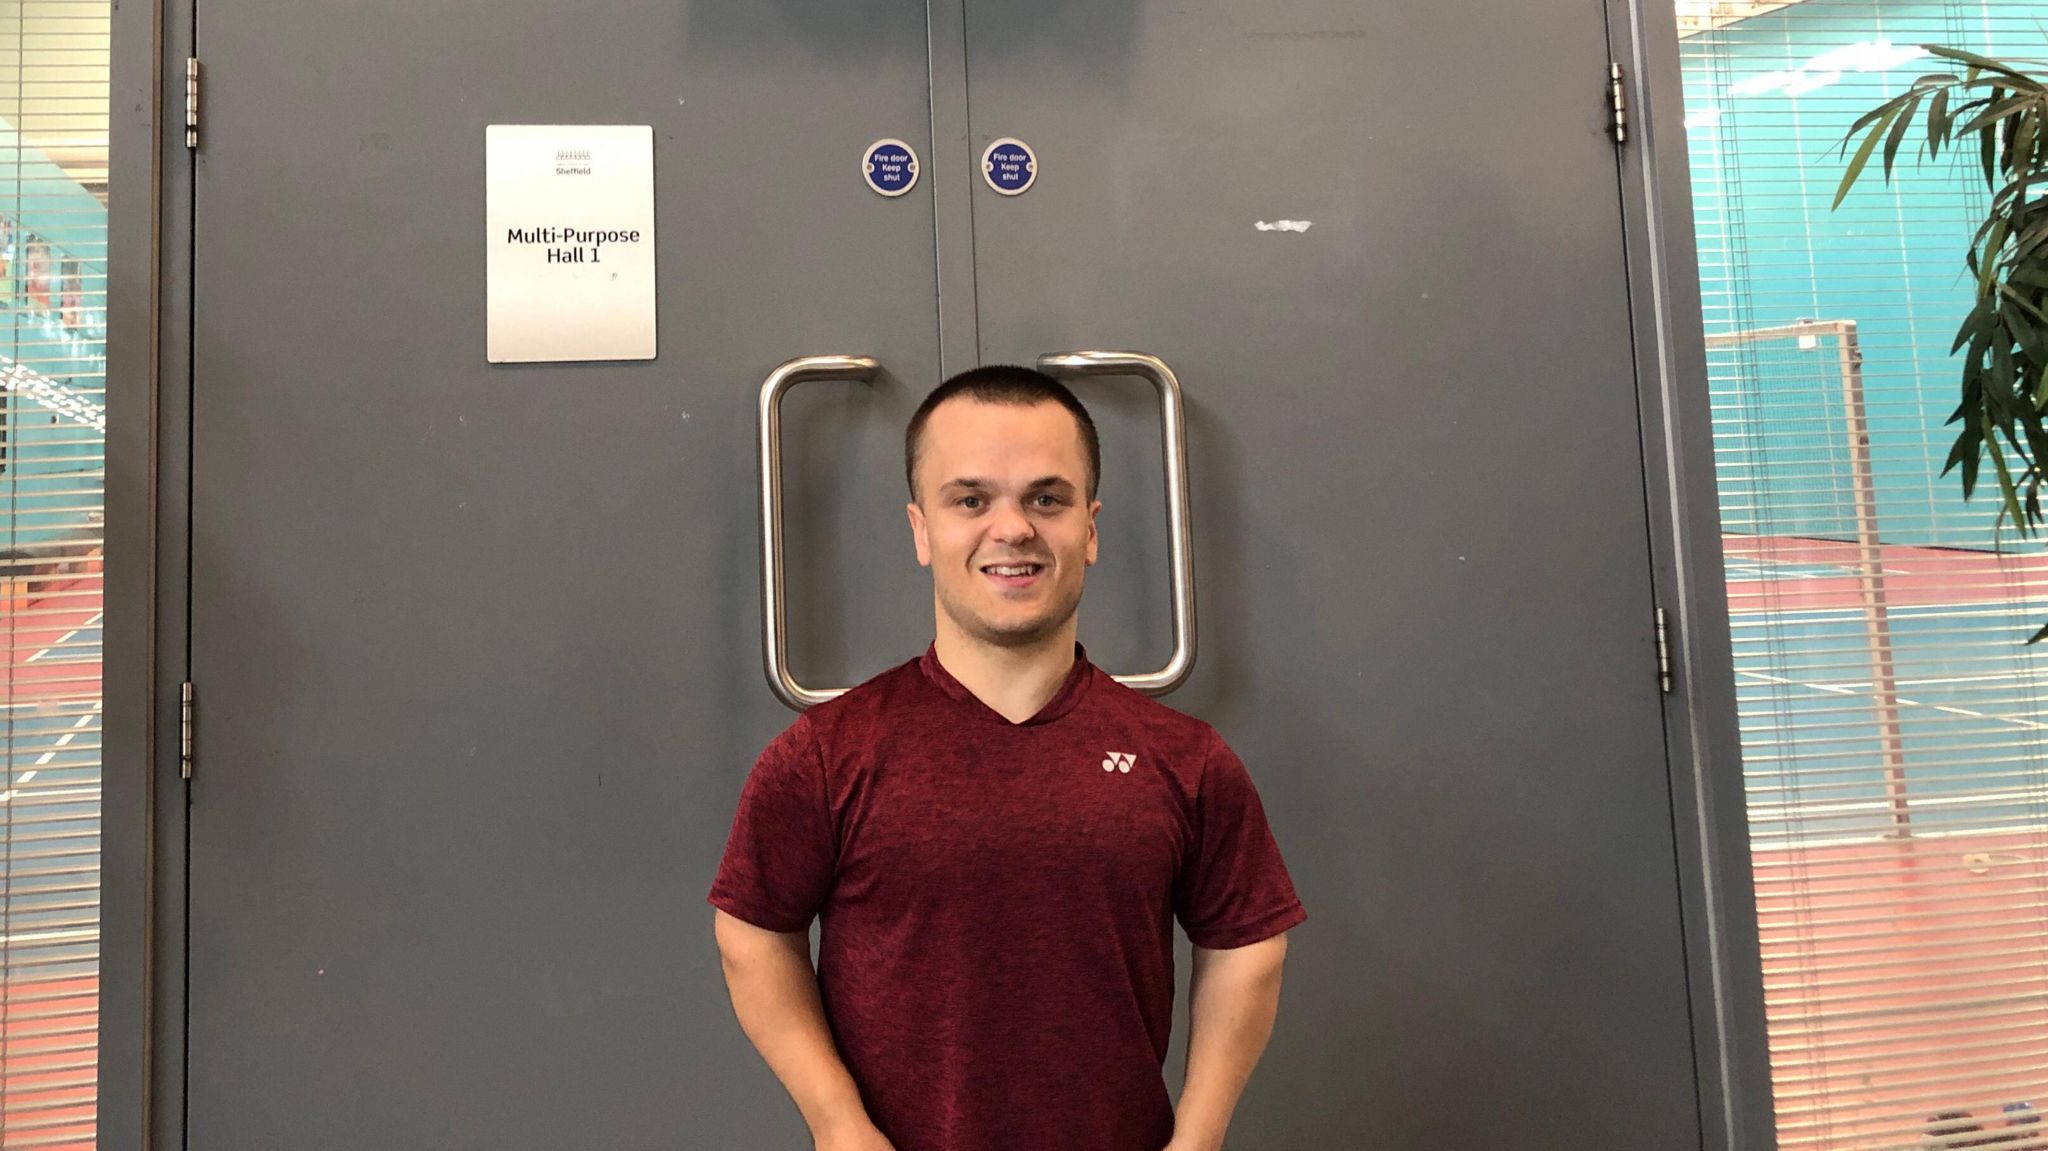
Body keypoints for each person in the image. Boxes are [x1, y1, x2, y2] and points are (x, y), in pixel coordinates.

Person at [708, 365, 1306, 1151]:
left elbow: (1246, 939)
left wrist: (1195, 1140)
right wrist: (837, 1123)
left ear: (1090, 528)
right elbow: (752, 930)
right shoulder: (824, 756)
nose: (1013, 528)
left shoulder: (1184, 760)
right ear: (922, 530)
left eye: (1046, 499)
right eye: (971, 499)